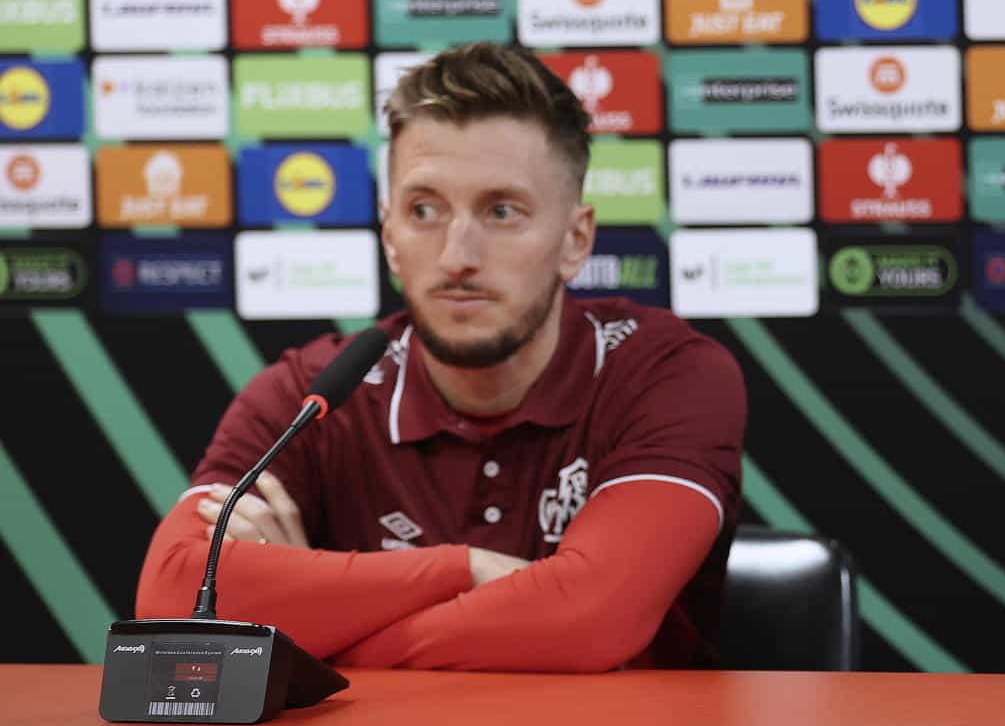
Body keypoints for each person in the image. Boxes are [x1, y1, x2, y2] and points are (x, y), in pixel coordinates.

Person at [135, 42, 745, 671]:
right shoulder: (311, 398)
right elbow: (174, 597)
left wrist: (311, 638)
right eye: (424, 210)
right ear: (390, 236)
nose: (458, 255)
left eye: (502, 211)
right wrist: (464, 569)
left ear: (575, 239)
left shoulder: (665, 376)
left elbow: (588, 618)